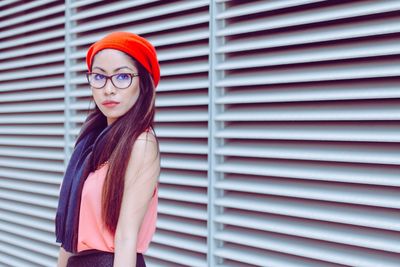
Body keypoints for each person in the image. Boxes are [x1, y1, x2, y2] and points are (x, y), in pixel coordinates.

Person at [55, 31, 161, 267]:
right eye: (99, 77)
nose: (109, 89)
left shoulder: (141, 145)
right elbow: (69, 238)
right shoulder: (88, 145)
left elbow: (125, 238)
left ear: (143, 83)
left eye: (122, 77)